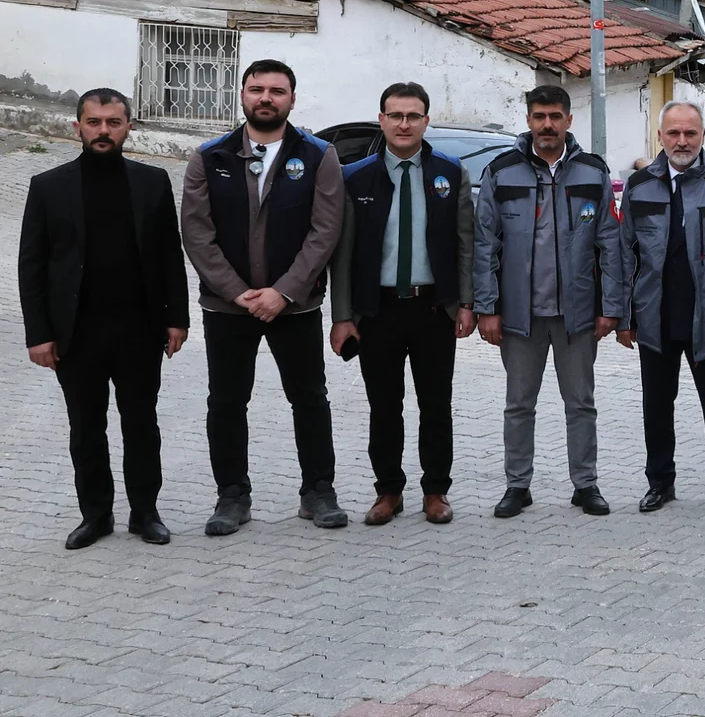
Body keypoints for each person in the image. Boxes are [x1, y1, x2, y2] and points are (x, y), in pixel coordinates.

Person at [181, 59, 346, 536]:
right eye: (257, 89)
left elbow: (325, 230)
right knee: (227, 401)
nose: (266, 98)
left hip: (296, 306)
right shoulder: (209, 157)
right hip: (226, 308)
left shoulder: (318, 155)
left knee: (309, 397)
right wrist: (239, 294)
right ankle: (231, 496)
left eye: (277, 90)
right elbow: (197, 233)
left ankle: (318, 491)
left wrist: (284, 291)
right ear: (242, 95)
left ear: (293, 99)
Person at [19, 89, 189, 549]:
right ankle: (95, 516)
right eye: (93, 122)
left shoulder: (153, 182)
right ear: (77, 127)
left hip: (138, 327)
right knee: (86, 427)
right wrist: (38, 334)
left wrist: (178, 318)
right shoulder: (47, 186)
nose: (103, 131)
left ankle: (145, 513)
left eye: (113, 122)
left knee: (141, 424)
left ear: (128, 126)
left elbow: (170, 256)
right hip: (77, 332)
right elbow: (31, 266)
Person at [327, 83, 476, 526]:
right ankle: (388, 491)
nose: (404, 123)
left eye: (413, 116)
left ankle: (436, 492)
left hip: (434, 309)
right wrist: (341, 316)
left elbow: (466, 243)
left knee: (436, 405)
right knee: (384, 406)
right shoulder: (356, 176)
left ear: (427, 121)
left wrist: (466, 303)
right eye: (396, 115)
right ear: (382, 120)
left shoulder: (450, 172)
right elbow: (343, 254)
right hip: (378, 311)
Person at [473, 86, 623, 519]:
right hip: (520, 316)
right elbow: (486, 245)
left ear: (569, 120)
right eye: (539, 116)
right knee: (519, 404)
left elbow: (608, 245)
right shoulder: (502, 172)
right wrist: (487, 308)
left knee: (581, 404)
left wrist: (610, 307)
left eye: (555, 116)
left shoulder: (592, 173)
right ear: (528, 119)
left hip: (577, 315)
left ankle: (586, 484)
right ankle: (517, 485)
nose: (547, 125)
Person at [610, 101, 705, 511]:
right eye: (673, 133)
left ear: (703, 136)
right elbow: (624, 257)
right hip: (654, 319)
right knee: (656, 407)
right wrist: (623, 316)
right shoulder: (639, 186)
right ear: (660, 137)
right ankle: (659, 481)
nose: (681, 141)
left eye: (689, 133)